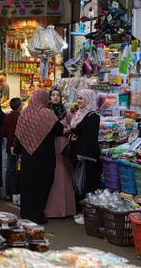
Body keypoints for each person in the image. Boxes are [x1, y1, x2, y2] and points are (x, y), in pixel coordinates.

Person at [15, 90, 63, 224]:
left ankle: (25, 213)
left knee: (27, 185)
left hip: (27, 156)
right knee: (42, 184)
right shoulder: (48, 114)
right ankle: (37, 215)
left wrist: (18, 151)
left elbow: (18, 135)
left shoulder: (24, 113)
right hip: (44, 157)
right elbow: (59, 130)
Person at [70, 89, 101, 225]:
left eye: (81, 98)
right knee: (80, 185)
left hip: (87, 156)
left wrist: (83, 154)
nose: (79, 101)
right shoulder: (80, 114)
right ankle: (82, 212)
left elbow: (89, 138)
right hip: (79, 155)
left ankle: (87, 214)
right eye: (78, 98)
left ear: (88, 99)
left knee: (87, 185)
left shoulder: (93, 116)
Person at [45, 87, 76, 218]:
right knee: (53, 175)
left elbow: (72, 125)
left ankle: (67, 209)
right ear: (50, 97)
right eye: (53, 95)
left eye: (58, 95)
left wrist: (65, 130)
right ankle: (52, 209)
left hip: (63, 146)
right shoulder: (46, 112)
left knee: (64, 174)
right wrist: (64, 129)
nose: (56, 97)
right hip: (50, 145)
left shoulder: (66, 112)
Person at [2, 97, 22, 203]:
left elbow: (4, 132)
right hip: (19, 147)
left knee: (9, 171)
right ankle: (16, 193)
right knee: (18, 171)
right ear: (19, 106)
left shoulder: (7, 117)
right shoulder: (22, 117)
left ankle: (8, 193)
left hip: (9, 147)